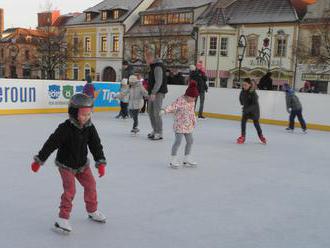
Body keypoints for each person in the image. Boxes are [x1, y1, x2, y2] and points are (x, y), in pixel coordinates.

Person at [31, 93, 107, 233]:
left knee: (91, 185)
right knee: (70, 190)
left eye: (89, 114)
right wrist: (40, 160)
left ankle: (92, 210)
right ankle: (62, 218)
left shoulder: (89, 127)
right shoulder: (65, 128)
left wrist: (100, 162)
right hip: (66, 165)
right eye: (83, 114)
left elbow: (96, 145)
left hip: (82, 164)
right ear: (73, 113)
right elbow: (51, 144)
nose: (86, 117)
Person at [160, 80, 199, 169]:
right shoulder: (180, 100)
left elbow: (192, 112)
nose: (194, 99)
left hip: (188, 125)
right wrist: (165, 110)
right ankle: (173, 159)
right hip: (179, 124)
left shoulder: (192, 102)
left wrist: (194, 120)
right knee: (178, 142)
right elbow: (172, 106)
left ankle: (187, 157)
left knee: (190, 141)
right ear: (187, 95)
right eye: (193, 97)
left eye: (195, 98)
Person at [145, 49, 168, 140]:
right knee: (150, 111)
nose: (146, 60)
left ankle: (159, 132)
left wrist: (153, 92)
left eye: (147, 58)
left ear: (151, 58)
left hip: (158, 93)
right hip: (152, 92)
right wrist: (149, 92)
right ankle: (155, 130)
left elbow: (159, 82)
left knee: (156, 112)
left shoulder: (158, 67)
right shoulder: (152, 66)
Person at [237, 78, 267, 144]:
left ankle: (261, 136)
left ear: (250, 85)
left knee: (256, 123)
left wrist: (247, 109)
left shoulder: (253, 93)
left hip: (254, 111)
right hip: (246, 110)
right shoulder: (242, 91)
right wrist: (242, 102)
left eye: (245, 85)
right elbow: (241, 99)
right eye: (243, 85)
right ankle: (243, 136)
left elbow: (254, 104)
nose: (244, 86)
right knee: (243, 122)